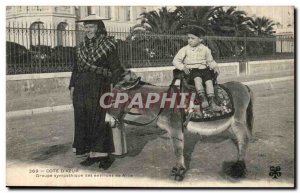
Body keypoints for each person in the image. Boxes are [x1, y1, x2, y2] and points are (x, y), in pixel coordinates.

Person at [69, 14, 126, 169]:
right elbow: (76, 68)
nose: (88, 30)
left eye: (91, 27)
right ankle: (90, 153)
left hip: (100, 86)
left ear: (99, 28)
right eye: (86, 27)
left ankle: (104, 156)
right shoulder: (81, 46)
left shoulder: (108, 45)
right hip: (81, 87)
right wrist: (72, 86)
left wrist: (116, 88)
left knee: (100, 120)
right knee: (83, 120)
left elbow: (115, 67)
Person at [172, 27, 222, 112]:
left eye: (192, 38)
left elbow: (210, 61)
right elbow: (175, 61)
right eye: (188, 38)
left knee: (209, 81)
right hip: (192, 70)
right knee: (197, 79)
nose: (190, 40)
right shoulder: (185, 49)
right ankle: (203, 99)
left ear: (200, 39)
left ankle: (212, 101)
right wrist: (183, 67)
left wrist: (215, 66)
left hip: (204, 69)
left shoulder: (205, 49)